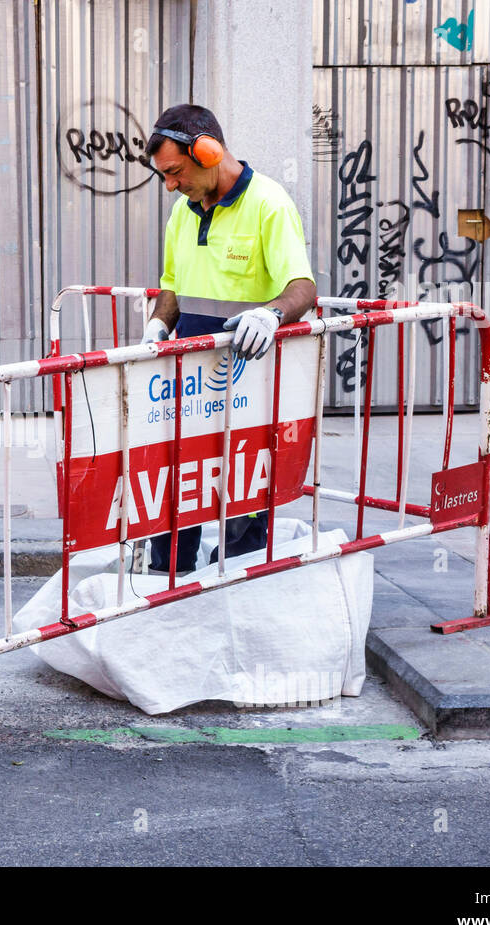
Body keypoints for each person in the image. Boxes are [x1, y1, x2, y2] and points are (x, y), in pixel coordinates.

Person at [140, 104, 316, 574]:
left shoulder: (268, 204)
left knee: (242, 501)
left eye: (175, 172)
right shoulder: (183, 212)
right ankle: (168, 579)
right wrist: (158, 322)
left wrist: (273, 314)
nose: (171, 185)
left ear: (210, 151)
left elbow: (303, 286)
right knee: (177, 488)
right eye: (164, 176)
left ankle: (238, 589)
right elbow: (172, 284)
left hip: (248, 388)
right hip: (189, 385)